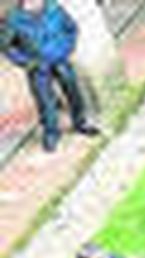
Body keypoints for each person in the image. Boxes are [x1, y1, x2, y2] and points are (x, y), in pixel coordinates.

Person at [6, 0, 98, 151]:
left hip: (60, 60)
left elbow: (71, 29)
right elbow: (7, 47)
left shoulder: (54, 8)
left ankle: (80, 122)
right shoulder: (14, 19)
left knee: (73, 91)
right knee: (44, 99)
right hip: (38, 67)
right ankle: (51, 132)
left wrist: (65, 49)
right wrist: (27, 62)